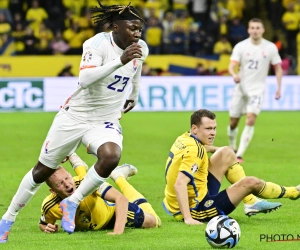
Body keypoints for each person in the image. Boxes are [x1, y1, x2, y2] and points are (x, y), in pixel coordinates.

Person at [0, 1, 148, 243]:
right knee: (42, 171)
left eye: (139, 29)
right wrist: (119, 60)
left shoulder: (140, 47)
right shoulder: (96, 44)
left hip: (105, 119)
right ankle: (8, 217)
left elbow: (137, 67)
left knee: (111, 156)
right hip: (75, 116)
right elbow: (85, 78)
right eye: (132, 28)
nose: (137, 34)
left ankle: (73, 201)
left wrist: (134, 93)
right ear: (115, 27)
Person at [162, 109, 299, 225]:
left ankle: (250, 202)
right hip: (196, 208)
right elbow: (180, 184)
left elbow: (203, 147)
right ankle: (293, 192)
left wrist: (217, 149)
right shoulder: (194, 151)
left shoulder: (185, 138)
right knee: (250, 182)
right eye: (208, 129)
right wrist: (188, 218)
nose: (213, 133)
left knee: (226, 152)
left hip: (182, 200)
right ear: (194, 128)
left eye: (214, 128)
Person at [39, 153, 161, 234]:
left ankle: (119, 177)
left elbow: (121, 199)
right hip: (96, 221)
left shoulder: (87, 183)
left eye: (67, 178)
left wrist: (117, 232)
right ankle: (74, 157)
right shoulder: (49, 205)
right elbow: (43, 224)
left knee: (155, 222)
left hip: (112, 214)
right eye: (60, 183)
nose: (66, 184)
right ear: (53, 191)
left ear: (71, 175)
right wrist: (48, 228)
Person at [227, 18, 283, 163]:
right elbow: (232, 65)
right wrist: (234, 75)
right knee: (233, 122)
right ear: (248, 30)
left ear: (263, 30)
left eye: (258, 28)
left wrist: (279, 87)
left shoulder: (270, 47)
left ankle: (239, 155)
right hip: (241, 88)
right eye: (252, 28)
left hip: (257, 89)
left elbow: (277, 67)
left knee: (251, 119)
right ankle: (232, 148)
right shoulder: (241, 46)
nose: (255, 31)